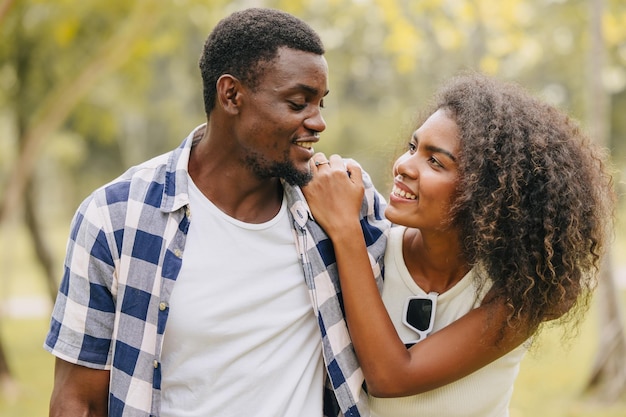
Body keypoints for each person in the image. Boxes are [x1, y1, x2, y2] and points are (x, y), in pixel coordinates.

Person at [43, 8, 389, 417]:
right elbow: (78, 401)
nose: (318, 122)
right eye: (298, 103)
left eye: (320, 103)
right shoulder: (115, 218)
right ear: (231, 95)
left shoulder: (344, 201)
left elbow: (439, 263)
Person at [302, 73, 614, 417]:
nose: (404, 166)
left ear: (486, 195)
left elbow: (391, 377)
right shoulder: (373, 252)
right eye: (412, 147)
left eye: (435, 161)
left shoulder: (518, 295)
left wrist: (345, 229)